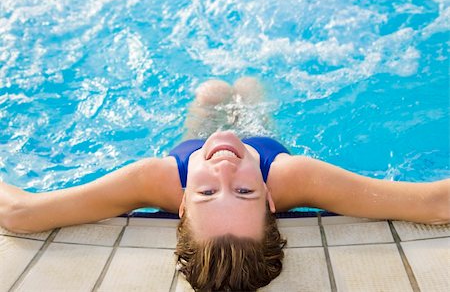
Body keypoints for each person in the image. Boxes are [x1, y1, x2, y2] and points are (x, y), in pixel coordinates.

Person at [0, 77, 449, 291]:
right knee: (249, 91)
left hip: (193, 142)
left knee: (210, 93)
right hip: (262, 143)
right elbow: (436, 203)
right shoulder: (293, 176)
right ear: (272, 199)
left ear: (180, 205)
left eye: (207, 193)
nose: (224, 172)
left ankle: (211, 105)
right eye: (245, 192)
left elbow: (19, 213)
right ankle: (247, 105)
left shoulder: (157, 179)